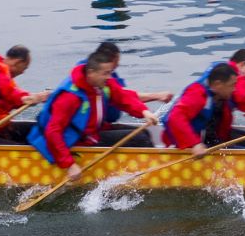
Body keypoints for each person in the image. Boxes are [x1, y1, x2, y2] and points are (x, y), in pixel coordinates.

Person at [27, 51, 161, 177]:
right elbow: (53, 132)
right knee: (141, 139)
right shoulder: (70, 97)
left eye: (110, 73)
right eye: (106, 73)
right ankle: (147, 175)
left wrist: (144, 112)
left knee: (145, 134)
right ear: (91, 73)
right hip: (79, 142)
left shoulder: (100, 84)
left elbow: (123, 97)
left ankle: (141, 169)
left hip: (94, 133)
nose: (109, 77)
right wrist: (70, 165)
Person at [162, 53, 245, 151]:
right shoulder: (197, 94)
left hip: (212, 135)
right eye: (232, 86)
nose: (234, 89)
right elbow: (175, 118)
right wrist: (195, 144)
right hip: (190, 144)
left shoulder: (225, 81)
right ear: (218, 85)